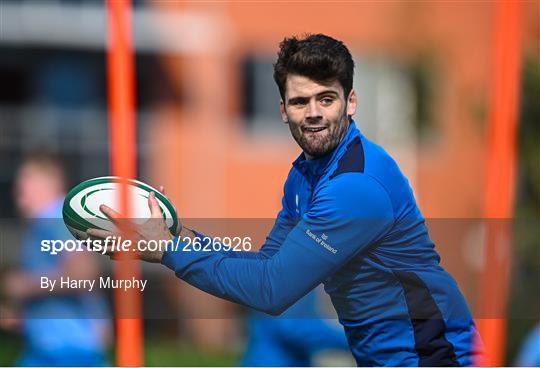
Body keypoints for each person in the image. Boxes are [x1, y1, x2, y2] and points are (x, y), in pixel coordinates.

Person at [91, 34, 483, 366]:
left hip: (435, 357)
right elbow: (267, 264)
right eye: (300, 102)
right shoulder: (304, 174)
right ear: (283, 110)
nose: (313, 113)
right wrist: (179, 236)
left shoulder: (356, 185)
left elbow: (272, 290)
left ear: (351, 102)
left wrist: (168, 251)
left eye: (326, 99)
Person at [1, 151, 110, 366]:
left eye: (26, 180)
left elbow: (82, 275)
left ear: (49, 183)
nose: (17, 190)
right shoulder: (45, 224)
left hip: (69, 354)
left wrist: (24, 285)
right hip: (49, 351)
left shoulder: (56, 217)